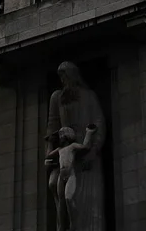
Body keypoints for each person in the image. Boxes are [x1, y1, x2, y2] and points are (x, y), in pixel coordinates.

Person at [45, 62, 105, 231]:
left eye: (65, 75)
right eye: (60, 77)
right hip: (65, 156)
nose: (63, 80)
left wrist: (93, 151)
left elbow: (99, 124)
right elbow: (52, 129)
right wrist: (48, 156)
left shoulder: (89, 95)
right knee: (61, 198)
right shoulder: (57, 97)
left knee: (86, 201)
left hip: (86, 155)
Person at [46, 124, 98, 231]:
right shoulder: (60, 149)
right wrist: (50, 142)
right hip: (61, 176)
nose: (60, 138)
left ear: (67, 136)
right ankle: (61, 226)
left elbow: (86, 147)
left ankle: (73, 223)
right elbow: (49, 155)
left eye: (62, 136)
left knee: (68, 198)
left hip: (70, 174)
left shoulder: (72, 146)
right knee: (61, 202)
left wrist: (89, 132)